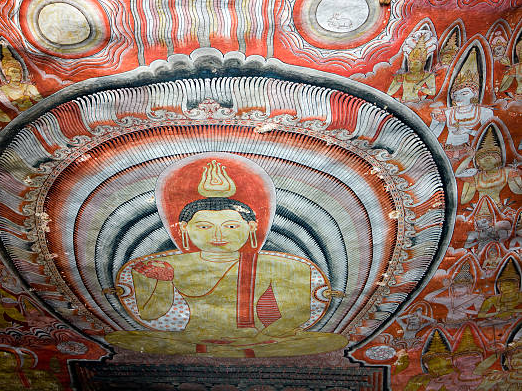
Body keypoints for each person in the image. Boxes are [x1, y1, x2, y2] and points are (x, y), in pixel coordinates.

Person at [105, 153, 348, 357]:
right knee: (127, 339)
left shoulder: (285, 267)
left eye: (231, 226)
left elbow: (297, 317)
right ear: (184, 229)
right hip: (192, 339)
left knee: (327, 341)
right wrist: (164, 283)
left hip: (258, 340)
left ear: (252, 227)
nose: (218, 235)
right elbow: (151, 315)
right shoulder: (165, 265)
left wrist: (259, 338)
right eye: (204, 226)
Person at [429, 50, 493, 160]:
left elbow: (487, 136)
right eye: (455, 94)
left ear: (475, 94)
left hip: (470, 152)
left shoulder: (484, 112)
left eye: (464, 93)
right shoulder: (448, 112)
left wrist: (468, 131)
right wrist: (435, 121)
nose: (459, 98)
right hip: (448, 151)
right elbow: (433, 135)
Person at [456, 126, 522, 207]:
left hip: (499, 208)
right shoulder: (476, 176)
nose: (487, 159)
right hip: (480, 210)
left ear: (499, 159)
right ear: (478, 162)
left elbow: (518, 191)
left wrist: (515, 178)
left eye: (492, 155)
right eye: (482, 156)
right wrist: (470, 157)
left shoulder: (506, 172)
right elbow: (464, 199)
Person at [0, 46, 42, 114]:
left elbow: (42, 103)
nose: (18, 75)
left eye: (19, 72)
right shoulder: (3, 90)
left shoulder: (29, 87)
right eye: (14, 72)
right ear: (5, 73)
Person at [388, 30, 437, 103]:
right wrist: (398, 83)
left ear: (423, 64)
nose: (412, 66)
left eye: (416, 63)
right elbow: (389, 93)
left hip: (418, 104)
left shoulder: (428, 76)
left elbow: (432, 92)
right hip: (403, 102)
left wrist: (421, 88)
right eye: (411, 63)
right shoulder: (401, 76)